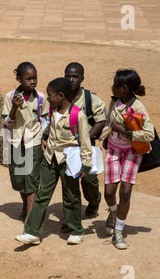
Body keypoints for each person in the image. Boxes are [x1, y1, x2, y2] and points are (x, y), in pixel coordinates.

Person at [15, 77, 93, 245]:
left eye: (50, 95)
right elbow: (50, 128)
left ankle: (76, 231)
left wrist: (86, 165)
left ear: (61, 95)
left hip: (68, 162)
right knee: (42, 195)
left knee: (71, 195)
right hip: (50, 159)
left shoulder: (77, 115)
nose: (48, 99)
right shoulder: (53, 112)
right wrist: (44, 137)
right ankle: (32, 232)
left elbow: (86, 143)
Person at [99, 69, 154, 249]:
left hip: (131, 153)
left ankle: (118, 233)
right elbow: (109, 122)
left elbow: (149, 134)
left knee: (125, 192)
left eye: (115, 84)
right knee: (108, 193)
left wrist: (124, 131)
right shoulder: (114, 101)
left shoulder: (138, 107)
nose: (112, 87)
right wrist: (104, 137)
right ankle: (113, 213)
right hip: (114, 151)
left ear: (125, 88)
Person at [2, 62, 49, 223]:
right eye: (28, 78)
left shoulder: (41, 98)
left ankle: (31, 215)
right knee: (19, 179)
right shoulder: (10, 97)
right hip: (16, 142)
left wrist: (44, 139)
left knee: (31, 178)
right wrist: (14, 108)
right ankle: (25, 205)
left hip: (34, 142)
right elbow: (6, 124)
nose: (32, 82)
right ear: (19, 79)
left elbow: (45, 121)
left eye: (35, 78)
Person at [64, 62, 106, 218]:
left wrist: (86, 138)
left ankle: (94, 201)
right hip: (67, 146)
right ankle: (72, 217)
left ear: (82, 78)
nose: (71, 80)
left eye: (75, 76)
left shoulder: (90, 99)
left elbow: (101, 121)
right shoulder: (61, 96)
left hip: (86, 146)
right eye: (67, 76)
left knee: (89, 180)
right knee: (70, 182)